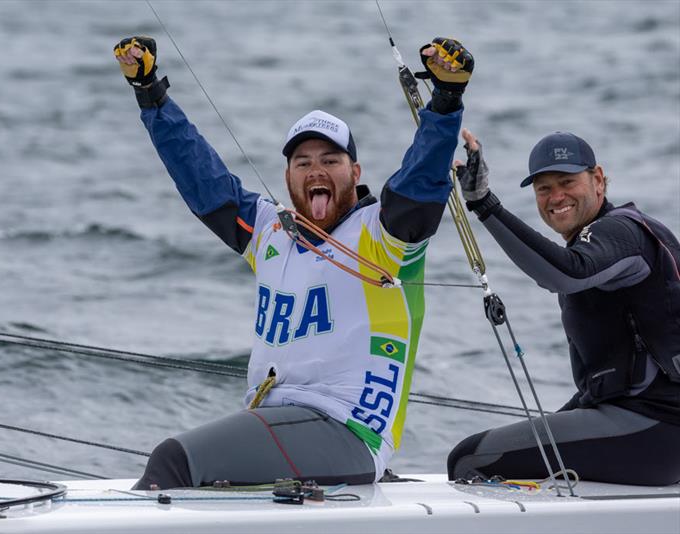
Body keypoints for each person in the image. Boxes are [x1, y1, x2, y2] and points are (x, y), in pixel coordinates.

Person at [113, 36, 474, 489]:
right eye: (302, 162)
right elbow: (202, 178)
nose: (315, 170)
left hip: (346, 433)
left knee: (175, 463)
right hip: (279, 427)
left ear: (355, 173)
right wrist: (150, 93)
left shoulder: (382, 238)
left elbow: (419, 184)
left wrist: (445, 101)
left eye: (330, 159)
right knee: (202, 482)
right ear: (288, 177)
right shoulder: (269, 232)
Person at [448, 129, 680, 486]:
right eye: (544, 188)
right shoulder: (604, 240)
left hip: (657, 429)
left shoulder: (620, 232)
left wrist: (483, 204)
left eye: (567, 181)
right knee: (527, 453)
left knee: (471, 459)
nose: (556, 197)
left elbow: (567, 273)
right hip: (648, 427)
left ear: (598, 179)